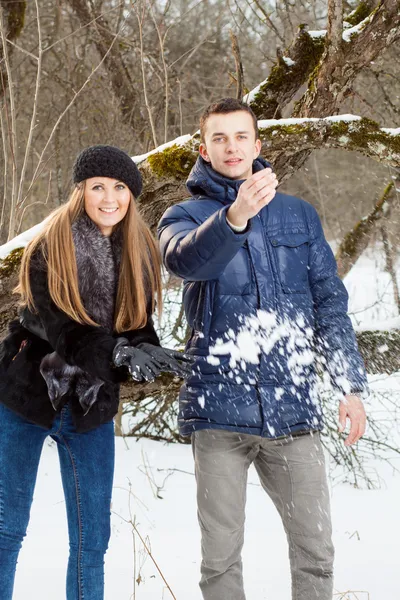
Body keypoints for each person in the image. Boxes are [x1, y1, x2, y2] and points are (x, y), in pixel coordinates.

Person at [158, 99, 369, 600]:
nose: (231, 147)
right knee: (221, 558)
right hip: (218, 415)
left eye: (240, 137)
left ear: (258, 144)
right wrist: (234, 218)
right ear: (203, 149)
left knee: (315, 550)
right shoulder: (183, 215)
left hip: (293, 412)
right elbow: (185, 263)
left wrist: (349, 385)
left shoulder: (299, 215)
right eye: (219, 138)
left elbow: (328, 303)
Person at [0, 145, 192, 600]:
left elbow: (137, 326)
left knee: (91, 542)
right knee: (7, 529)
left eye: (120, 187)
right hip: (26, 394)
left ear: (132, 194)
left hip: (92, 405)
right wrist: (121, 354)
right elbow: (65, 333)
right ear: (80, 191)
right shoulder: (50, 247)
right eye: (98, 187)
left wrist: (149, 351)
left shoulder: (139, 252)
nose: (109, 197)